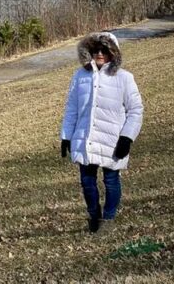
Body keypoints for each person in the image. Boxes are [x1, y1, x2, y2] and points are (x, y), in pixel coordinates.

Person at [60, 31, 144, 233]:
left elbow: (136, 110)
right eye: (95, 49)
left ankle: (108, 220)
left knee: (111, 180)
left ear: (112, 52)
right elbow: (72, 108)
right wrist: (66, 136)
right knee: (87, 182)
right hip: (85, 138)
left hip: (113, 140)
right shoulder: (80, 76)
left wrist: (127, 137)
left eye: (104, 50)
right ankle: (94, 217)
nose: (99, 53)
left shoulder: (124, 78)